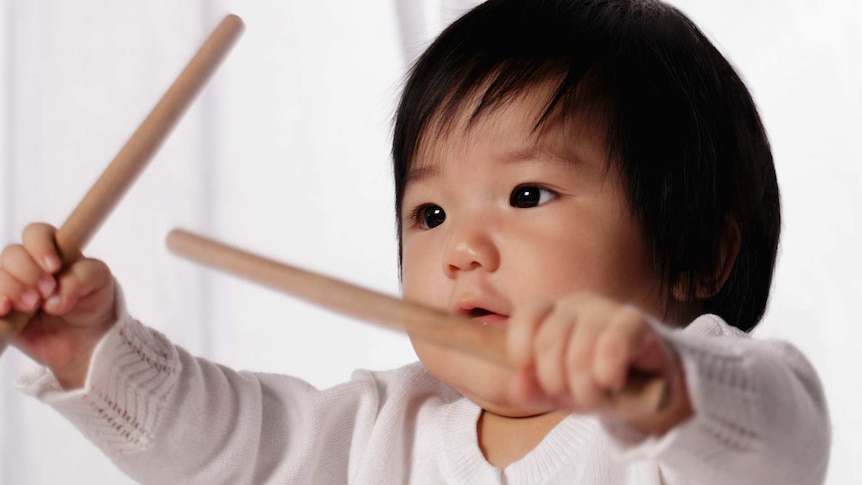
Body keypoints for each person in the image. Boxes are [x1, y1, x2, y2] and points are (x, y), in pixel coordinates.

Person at [1, 0, 830, 483]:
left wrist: (663, 377)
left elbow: (781, 430)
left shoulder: (684, 430)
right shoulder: (386, 428)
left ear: (700, 253)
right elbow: (237, 449)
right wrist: (93, 350)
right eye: (429, 215)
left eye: (527, 193)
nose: (461, 248)